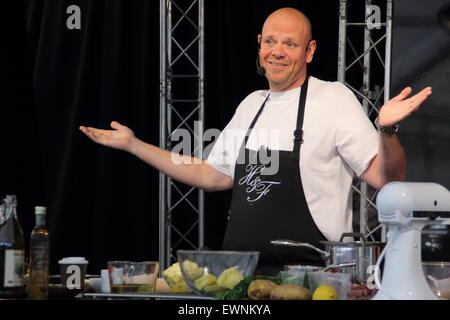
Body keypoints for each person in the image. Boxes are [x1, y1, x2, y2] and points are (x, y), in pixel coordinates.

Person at [80, 8, 432, 273]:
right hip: (241, 276)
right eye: (271, 41)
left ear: (309, 51)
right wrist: (134, 144)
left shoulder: (333, 99)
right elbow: (211, 175)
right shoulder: (252, 104)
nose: (277, 52)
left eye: (290, 44)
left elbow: (387, 180)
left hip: (310, 277)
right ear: (259, 45)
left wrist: (385, 131)